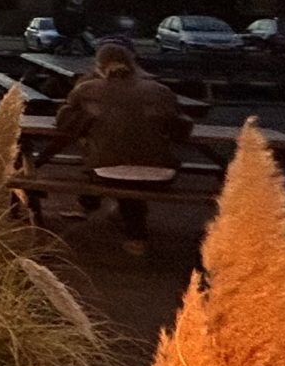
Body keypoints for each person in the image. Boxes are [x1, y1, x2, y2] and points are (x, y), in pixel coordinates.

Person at [45, 40, 192, 256]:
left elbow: (63, 122)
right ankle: (131, 233)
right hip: (163, 173)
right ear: (133, 64)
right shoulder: (160, 91)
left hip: (106, 170)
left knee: (116, 161)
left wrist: (91, 120)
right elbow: (181, 131)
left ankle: (126, 228)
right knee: (131, 161)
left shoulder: (87, 90)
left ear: (98, 65)